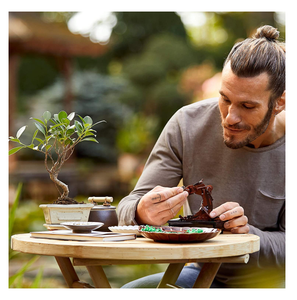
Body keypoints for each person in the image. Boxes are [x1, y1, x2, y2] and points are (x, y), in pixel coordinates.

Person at [117, 25, 285, 288]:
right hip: (205, 276)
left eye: (247, 106)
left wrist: (247, 235)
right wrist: (141, 213)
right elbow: (128, 207)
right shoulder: (187, 124)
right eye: (225, 99)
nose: (230, 117)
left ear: (280, 103)